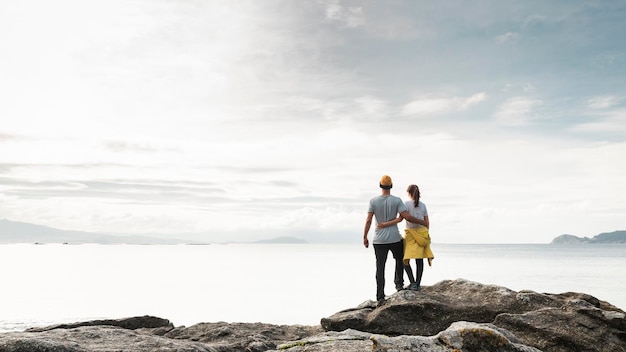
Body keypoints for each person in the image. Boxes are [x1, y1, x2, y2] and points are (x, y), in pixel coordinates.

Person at [363, 175, 424, 303]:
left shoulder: (373, 201)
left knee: (380, 267)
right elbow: (406, 216)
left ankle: (380, 296)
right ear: (391, 186)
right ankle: (399, 285)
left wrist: (365, 236)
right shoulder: (397, 200)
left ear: (380, 186)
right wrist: (421, 221)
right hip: (395, 238)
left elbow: (369, 220)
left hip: (378, 240)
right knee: (400, 260)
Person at [378, 184, 434, 291]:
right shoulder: (423, 205)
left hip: (410, 234)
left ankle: (412, 282)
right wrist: (426, 234)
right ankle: (417, 283)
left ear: (409, 193)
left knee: (405, 259)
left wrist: (385, 224)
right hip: (422, 233)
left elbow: (401, 219)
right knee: (419, 260)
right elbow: (427, 222)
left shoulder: (406, 204)